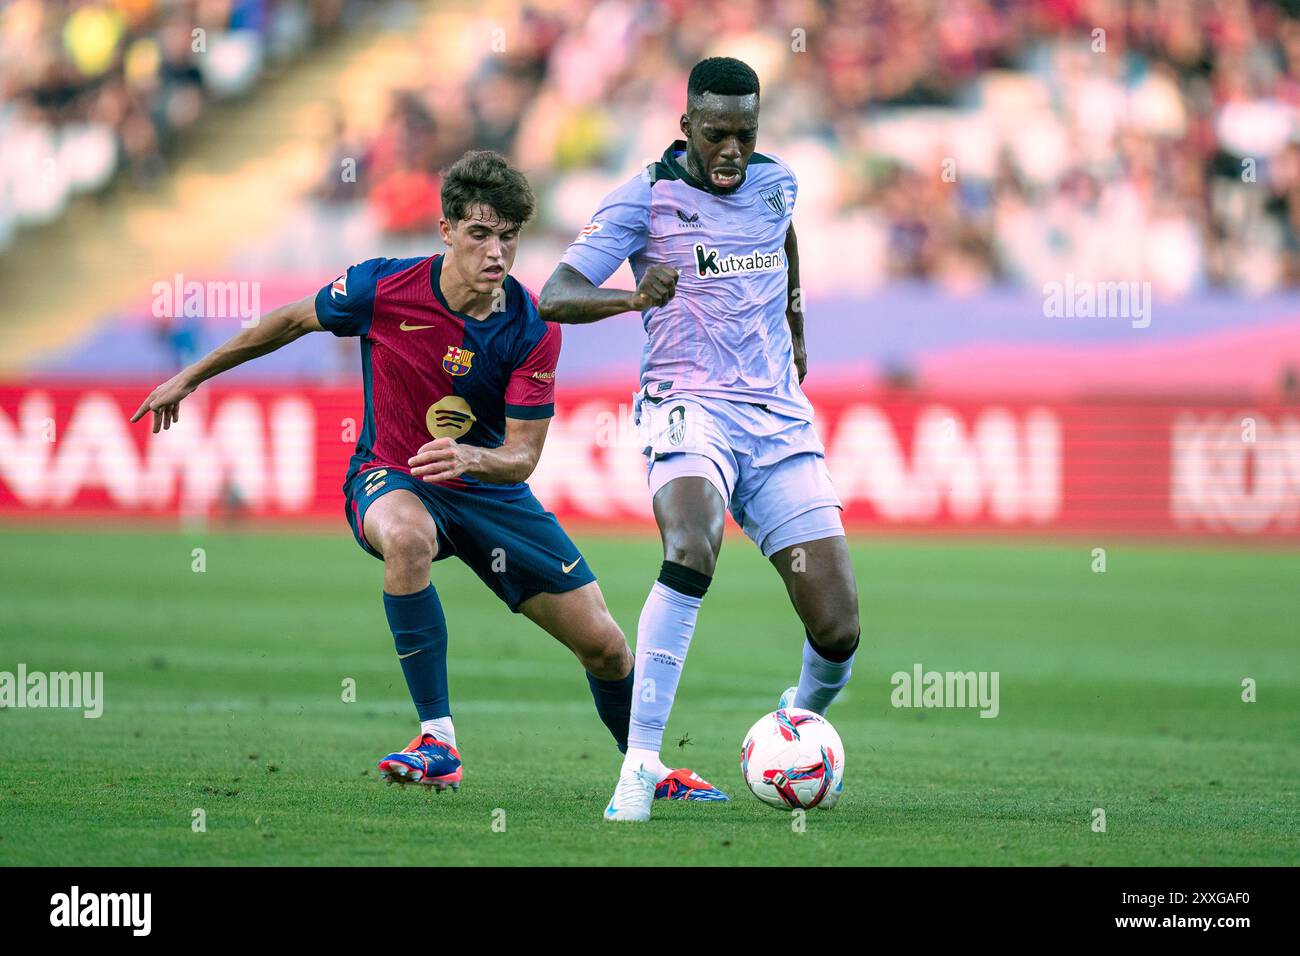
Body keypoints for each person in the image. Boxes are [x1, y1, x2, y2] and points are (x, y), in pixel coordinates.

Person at [131, 149, 720, 801]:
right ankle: (437, 739)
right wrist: (189, 376)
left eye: (508, 236)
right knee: (408, 539)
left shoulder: (532, 328)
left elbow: (523, 456)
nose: (496, 252)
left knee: (606, 646)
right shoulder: (382, 288)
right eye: (479, 233)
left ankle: (645, 767)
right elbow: (291, 320)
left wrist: (472, 459)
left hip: (489, 490)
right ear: (446, 231)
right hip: (392, 475)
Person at [539, 58, 861, 822]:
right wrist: (629, 297)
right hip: (688, 408)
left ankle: (799, 720)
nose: (732, 153)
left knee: (839, 627)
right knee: (691, 545)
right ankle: (640, 765)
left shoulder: (777, 182)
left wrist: (797, 323)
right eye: (717, 135)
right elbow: (554, 293)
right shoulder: (643, 200)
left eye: (745, 135)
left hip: (776, 422)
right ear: (685, 127)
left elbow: (784, 244)